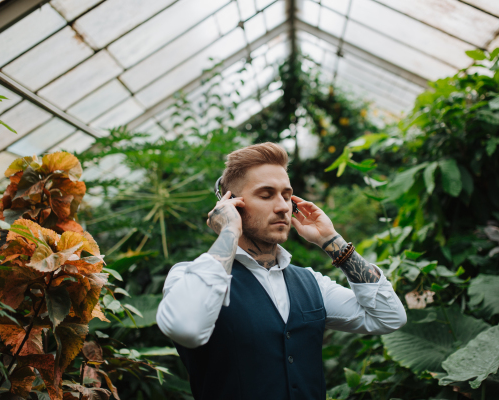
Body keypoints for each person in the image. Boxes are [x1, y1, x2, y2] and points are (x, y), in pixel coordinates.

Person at [156, 142, 406, 400]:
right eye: (266, 195)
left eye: (286, 196)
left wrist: (331, 240)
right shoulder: (189, 277)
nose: (283, 207)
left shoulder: (311, 283)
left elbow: (389, 317)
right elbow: (186, 327)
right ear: (232, 204)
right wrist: (229, 231)